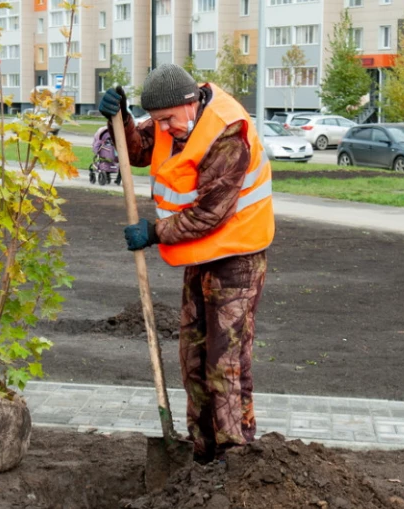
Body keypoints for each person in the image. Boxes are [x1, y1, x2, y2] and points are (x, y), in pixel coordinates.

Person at [98, 64, 274, 463]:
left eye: (167, 120)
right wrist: (121, 119)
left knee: (224, 362)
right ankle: (203, 453)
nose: (162, 129)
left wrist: (155, 232)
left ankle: (234, 456)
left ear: (190, 103)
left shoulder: (228, 132)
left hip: (237, 258)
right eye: (156, 120)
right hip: (202, 258)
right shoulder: (170, 122)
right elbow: (138, 149)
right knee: (193, 358)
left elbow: (210, 213)